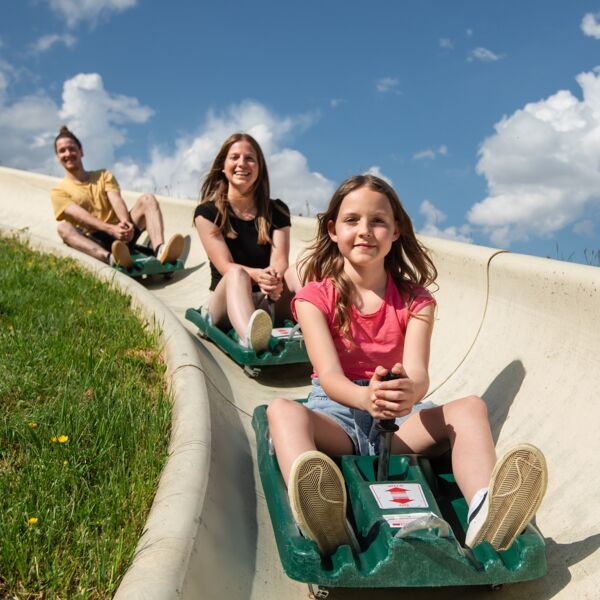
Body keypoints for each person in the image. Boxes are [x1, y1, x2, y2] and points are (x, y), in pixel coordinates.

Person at [267, 174, 547, 556]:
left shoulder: (416, 301)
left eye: (378, 221)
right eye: (352, 220)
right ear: (333, 230)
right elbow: (329, 376)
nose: (365, 231)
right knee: (282, 412)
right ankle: (324, 518)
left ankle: (485, 510)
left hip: (399, 422)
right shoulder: (315, 297)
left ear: (395, 231)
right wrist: (364, 397)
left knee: (470, 409)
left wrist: (405, 393)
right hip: (338, 417)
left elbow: (418, 374)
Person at [194, 133, 291, 353]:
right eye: (234, 157)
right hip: (226, 304)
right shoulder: (207, 213)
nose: (242, 164)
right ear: (223, 165)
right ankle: (250, 337)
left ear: (259, 168)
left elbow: (280, 260)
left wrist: (273, 280)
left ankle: (325, 331)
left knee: (299, 271)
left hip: (266, 300)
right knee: (237, 274)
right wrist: (259, 275)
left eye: (250, 159)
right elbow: (225, 266)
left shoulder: (277, 211)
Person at [51, 126, 184, 269]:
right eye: (62, 151)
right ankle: (111, 258)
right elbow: (82, 217)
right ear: (58, 157)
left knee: (147, 199)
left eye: (72, 148)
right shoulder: (58, 191)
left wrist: (125, 224)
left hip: (121, 233)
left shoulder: (102, 175)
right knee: (63, 228)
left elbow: (116, 199)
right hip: (95, 239)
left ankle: (160, 250)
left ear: (80, 151)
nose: (68, 153)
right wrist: (110, 229)